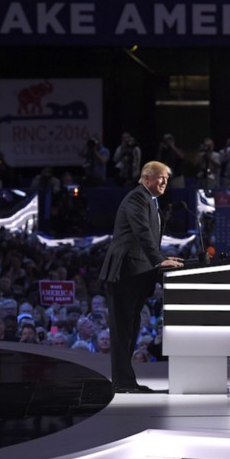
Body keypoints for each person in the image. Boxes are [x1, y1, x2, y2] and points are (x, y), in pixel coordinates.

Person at [99, 161, 184, 393]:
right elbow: (142, 232)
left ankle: (126, 381)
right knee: (122, 330)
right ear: (146, 178)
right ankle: (122, 382)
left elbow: (148, 238)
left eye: (167, 178)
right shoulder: (137, 198)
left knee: (131, 329)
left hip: (137, 275)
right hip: (125, 272)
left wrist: (163, 258)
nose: (165, 182)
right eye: (161, 177)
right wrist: (158, 259)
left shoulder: (151, 201)